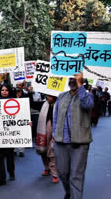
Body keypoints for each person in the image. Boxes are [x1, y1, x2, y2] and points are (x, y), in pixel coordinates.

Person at [52, 71, 94, 199]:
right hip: (60, 142)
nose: (72, 81)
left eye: (75, 79)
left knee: (76, 175)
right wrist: (54, 134)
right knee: (63, 173)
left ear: (81, 82)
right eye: (71, 79)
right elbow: (55, 118)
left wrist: (81, 85)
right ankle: (69, 193)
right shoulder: (61, 96)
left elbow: (88, 105)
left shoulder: (87, 96)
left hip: (79, 143)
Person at [0, 84, 16, 186]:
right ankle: (1, 178)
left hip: (9, 132)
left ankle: (11, 172)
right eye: (2, 90)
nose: (4, 92)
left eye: (6, 90)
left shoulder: (15, 102)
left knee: (10, 154)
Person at [35, 95, 58, 183]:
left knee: (52, 152)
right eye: (47, 95)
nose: (48, 97)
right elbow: (31, 104)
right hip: (43, 131)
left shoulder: (60, 105)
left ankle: (54, 174)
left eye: (49, 96)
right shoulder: (43, 104)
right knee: (43, 150)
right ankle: (47, 168)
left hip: (55, 131)